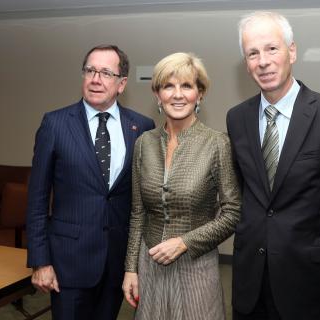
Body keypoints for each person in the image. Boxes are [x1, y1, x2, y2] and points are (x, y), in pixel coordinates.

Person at [226, 11, 320, 320]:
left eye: (271, 48)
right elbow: (247, 192)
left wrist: (319, 243)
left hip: (311, 281)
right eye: (253, 53)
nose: (262, 61)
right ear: (246, 62)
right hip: (251, 281)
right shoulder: (236, 118)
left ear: (292, 51)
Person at [26, 44, 155, 320]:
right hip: (68, 262)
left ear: (121, 84)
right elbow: (36, 198)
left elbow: (142, 199)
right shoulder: (55, 124)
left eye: (106, 73)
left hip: (118, 262)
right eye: (90, 70)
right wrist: (40, 261)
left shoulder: (142, 127)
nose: (96, 79)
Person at [122, 52, 241, 320]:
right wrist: (131, 269)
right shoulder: (144, 143)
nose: (178, 94)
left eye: (186, 86)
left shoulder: (216, 143)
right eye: (168, 86)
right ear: (157, 95)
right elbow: (138, 212)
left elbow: (233, 211)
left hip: (196, 266)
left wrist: (185, 242)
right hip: (150, 264)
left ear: (200, 94)